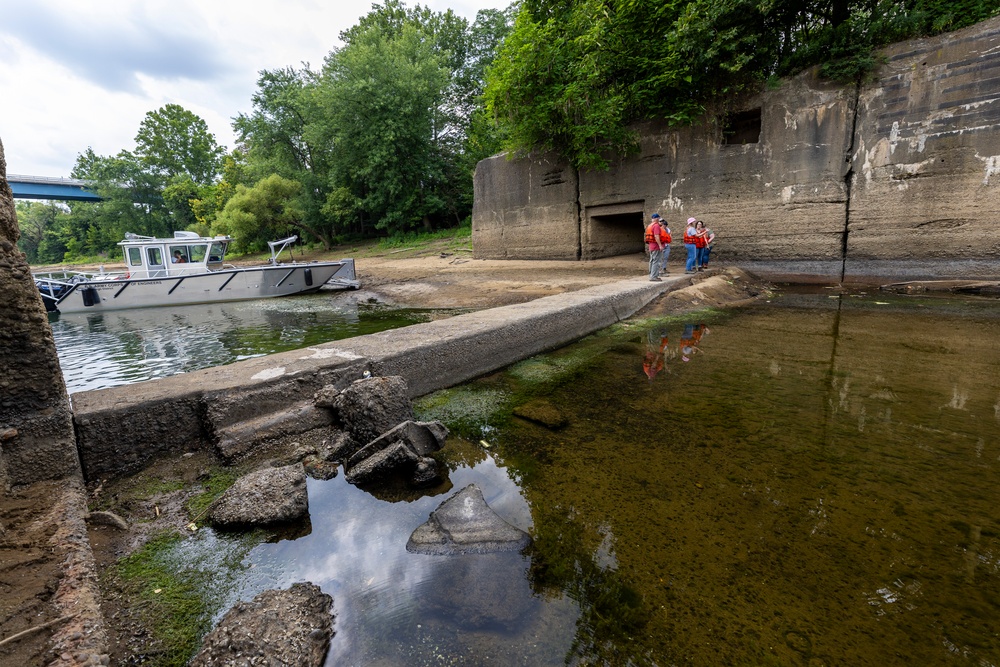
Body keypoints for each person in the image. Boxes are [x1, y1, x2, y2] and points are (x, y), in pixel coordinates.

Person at [644, 213, 667, 282]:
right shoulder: (656, 226)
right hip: (656, 246)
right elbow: (656, 236)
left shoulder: (649, 226)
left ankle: (651, 274)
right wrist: (660, 245)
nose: (659, 219)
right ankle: (654, 276)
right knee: (656, 261)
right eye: (659, 218)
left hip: (651, 245)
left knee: (652, 260)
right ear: (656, 218)